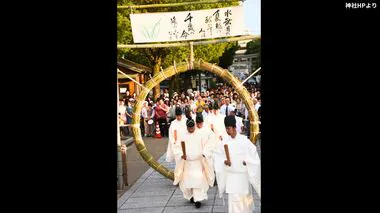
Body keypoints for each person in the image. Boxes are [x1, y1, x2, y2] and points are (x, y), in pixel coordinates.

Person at [214, 115, 261, 213]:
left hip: (243, 177)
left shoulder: (244, 141)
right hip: (232, 177)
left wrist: (247, 161)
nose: (227, 131)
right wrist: (224, 161)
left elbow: (254, 157)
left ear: (235, 127)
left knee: (245, 202)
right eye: (226, 129)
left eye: (229, 128)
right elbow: (217, 156)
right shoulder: (224, 142)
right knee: (234, 203)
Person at [172, 118, 214, 209]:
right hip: (187, 162)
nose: (191, 129)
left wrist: (204, 153)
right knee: (188, 181)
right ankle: (191, 195)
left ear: (194, 126)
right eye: (189, 128)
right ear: (187, 127)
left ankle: (198, 199)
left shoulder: (200, 134)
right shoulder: (182, 135)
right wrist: (181, 155)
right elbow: (177, 146)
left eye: (192, 127)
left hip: (198, 162)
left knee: (198, 181)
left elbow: (208, 144)